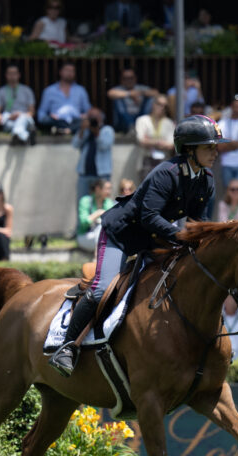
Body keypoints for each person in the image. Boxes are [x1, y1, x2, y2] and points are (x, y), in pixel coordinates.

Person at [47, 115, 224, 376]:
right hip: (121, 235)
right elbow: (149, 216)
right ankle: (67, 346)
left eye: (215, 146)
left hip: (155, 239)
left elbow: (199, 223)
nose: (215, 152)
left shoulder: (206, 180)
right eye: (209, 146)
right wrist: (179, 237)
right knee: (101, 290)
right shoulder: (166, 173)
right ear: (189, 149)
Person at [72, 107, 114, 218]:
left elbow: (104, 145)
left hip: (101, 174)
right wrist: (82, 130)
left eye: (95, 117)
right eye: (90, 117)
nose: (93, 119)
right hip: (85, 174)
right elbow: (75, 144)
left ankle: (103, 229)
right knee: (82, 203)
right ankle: (80, 230)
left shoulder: (107, 130)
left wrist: (96, 133)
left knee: (103, 203)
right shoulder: (85, 130)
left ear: (101, 117)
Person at [37, 62, 89, 134]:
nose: (70, 73)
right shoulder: (49, 91)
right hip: (57, 120)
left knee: (87, 120)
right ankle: (69, 129)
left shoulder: (81, 90)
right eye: (67, 70)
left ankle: (65, 130)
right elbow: (41, 113)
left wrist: (85, 115)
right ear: (60, 72)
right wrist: (50, 116)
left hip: (76, 119)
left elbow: (88, 110)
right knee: (48, 121)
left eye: (72, 71)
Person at [134, 94, 175, 181]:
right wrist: (160, 142)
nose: (161, 107)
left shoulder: (169, 123)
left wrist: (149, 141)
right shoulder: (142, 120)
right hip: (146, 160)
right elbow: (140, 140)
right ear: (153, 104)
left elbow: (171, 145)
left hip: (163, 161)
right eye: (159, 104)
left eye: (164, 106)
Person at [107, 68, 158, 133]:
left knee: (150, 99)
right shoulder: (119, 88)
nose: (129, 80)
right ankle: (131, 127)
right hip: (123, 121)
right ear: (121, 79)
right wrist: (130, 94)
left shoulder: (140, 87)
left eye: (131, 78)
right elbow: (110, 93)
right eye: (125, 78)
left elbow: (156, 93)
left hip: (140, 116)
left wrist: (139, 93)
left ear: (135, 78)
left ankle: (137, 127)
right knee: (117, 100)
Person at [77, 178, 114, 252]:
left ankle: (97, 258)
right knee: (101, 228)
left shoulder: (109, 203)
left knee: (102, 229)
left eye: (110, 189)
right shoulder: (85, 201)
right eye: (106, 189)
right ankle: (97, 259)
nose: (109, 192)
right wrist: (98, 213)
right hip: (85, 236)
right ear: (98, 189)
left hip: (101, 238)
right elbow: (83, 223)